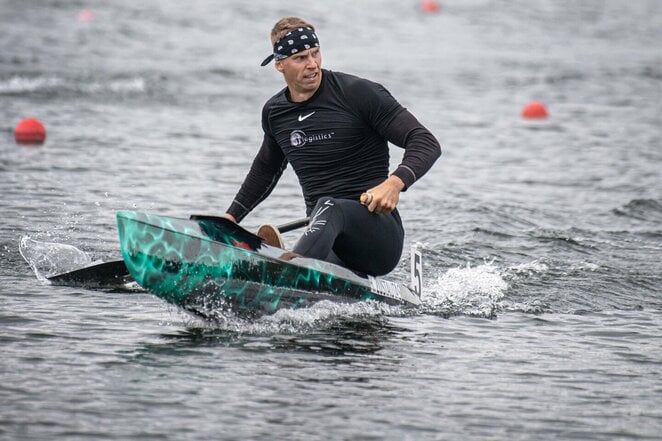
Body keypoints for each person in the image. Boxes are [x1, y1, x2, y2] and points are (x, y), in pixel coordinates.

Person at [223, 16, 441, 276]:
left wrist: (395, 183)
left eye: (315, 53)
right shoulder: (275, 113)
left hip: (379, 237)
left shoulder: (358, 93)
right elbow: (265, 171)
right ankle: (290, 263)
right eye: (301, 58)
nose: (312, 64)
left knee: (329, 205)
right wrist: (230, 219)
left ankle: (287, 271)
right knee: (323, 212)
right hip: (330, 247)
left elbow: (425, 141)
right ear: (280, 65)